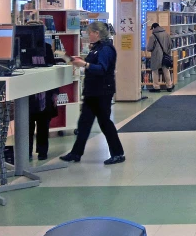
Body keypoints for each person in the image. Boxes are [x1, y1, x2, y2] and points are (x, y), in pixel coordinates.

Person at [60, 22, 125, 165]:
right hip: (92, 91)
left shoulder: (106, 49)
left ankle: (118, 153)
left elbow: (102, 69)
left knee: (105, 123)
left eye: (90, 32)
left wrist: (84, 64)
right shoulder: (96, 48)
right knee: (84, 122)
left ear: (97, 33)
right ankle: (76, 153)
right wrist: (81, 62)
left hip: (102, 92)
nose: (88, 35)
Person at [28, 31, 59, 161]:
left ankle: (42, 151)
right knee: (27, 125)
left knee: (43, 124)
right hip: (27, 92)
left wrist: (55, 93)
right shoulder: (20, 48)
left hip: (44, 92)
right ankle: (26, 151)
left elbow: (53, 70)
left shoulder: (46, 48)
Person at [146, 22, 174, 93]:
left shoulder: (153, 36)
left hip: (156, 55)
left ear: (153, 28)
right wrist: (167, 52)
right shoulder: (166, 34)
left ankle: (156, 87)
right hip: (165, 55)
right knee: (166, 70)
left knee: (155, 71)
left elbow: (149, 48)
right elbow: (170, 45)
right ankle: (169, 86)